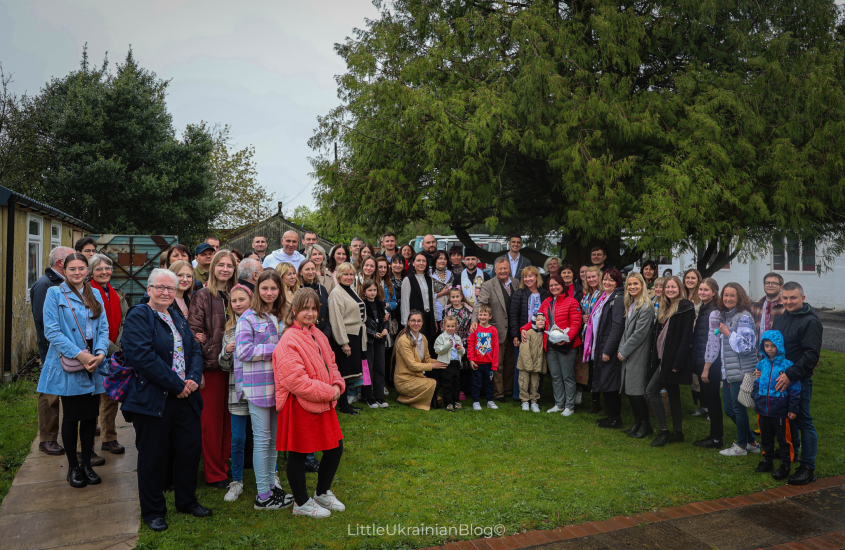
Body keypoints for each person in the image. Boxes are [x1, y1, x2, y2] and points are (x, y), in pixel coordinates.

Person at [121, 268, 209, 532]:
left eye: (170, 288)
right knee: (153, 457)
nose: (165, 292)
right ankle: (153, 511)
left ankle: (187, 501)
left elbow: (194, 348)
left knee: (189, 450)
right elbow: (142, 357)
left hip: (186, 396)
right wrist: (176, 385)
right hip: (154, 399)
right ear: (148, 290)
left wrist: (193, 377)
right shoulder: (139, 315)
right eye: (159, 287)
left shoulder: (176, 315)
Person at [37, 252, 109, 488]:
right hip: (70, 362)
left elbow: (104, 328)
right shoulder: (55, 293)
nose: (77, 273)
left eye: (81, 269)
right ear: (64, 271)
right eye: (72, 269)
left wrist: (99, 353)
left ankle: (87, 464)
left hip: (94, 363)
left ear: (87, 270)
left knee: (90, 417)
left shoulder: (95, 293)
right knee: (71, 417)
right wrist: (80, 354)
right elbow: (52, 331)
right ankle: (73, 468)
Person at [274, 288, 347, 518]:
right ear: (294, 309)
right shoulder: (288, 339)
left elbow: (332, 364)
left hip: (323, 400)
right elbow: (298, 383)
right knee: (298, 452)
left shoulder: (318, 334)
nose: (310, 312)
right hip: (300, 404)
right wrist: (331, 392)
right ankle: (301, 502)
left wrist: (337, 385)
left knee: (335, 448)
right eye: (305, 308)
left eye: (314, 308)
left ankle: (322, 491)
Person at [236, 271, 296, 510]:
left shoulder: (283, 316)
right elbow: (243, 351)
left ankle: (272, 488)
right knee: (261, 440)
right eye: (265, 288)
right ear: (257, 290)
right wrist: (277, 348)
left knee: (273, 441)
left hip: (280, 386)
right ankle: (263, 496)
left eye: (274, 288)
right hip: (258, 387)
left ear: (280, 290)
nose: (269, 293)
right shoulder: (248, 318)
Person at [188, 250, 238, 488]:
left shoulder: (237, 295)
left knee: (229, 422)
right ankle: (213, 473)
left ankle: (224, 466)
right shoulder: (202, 295)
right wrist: (198, 371)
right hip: (211, 368)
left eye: (230, 265)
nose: (225, 269)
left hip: (236, 368)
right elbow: (193, 333)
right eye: (221, 265)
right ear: (213, 267)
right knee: (211, 425)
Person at [772, 281, 823, 485]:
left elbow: (811, 356)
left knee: (803, 422)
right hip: (781, 378)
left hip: (798, 380)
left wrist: (790, 374)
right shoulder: (781, 318)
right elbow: (775, 347)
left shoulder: (811, 322)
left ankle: (808, 467)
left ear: (802, 298)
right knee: (787, 420)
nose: (788, 301)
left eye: (793, 297)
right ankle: (790, 455)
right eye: (785, 298)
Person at [704, 283, 760, 457]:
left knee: (738, 409)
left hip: (741, 371)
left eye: (732, 296)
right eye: (725, 295)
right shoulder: (726, 316)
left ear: (740, 298)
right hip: (729, 371)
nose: (728, 299)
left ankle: (741, 446)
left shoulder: (743, 317)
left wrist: (728, 333)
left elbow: (747, 346)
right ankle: (752, 442)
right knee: (729, 409)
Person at [30, 245, 75, 456]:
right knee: (50, 395)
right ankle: (47, 439)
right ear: (60, 263)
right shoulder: (45, 284)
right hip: (51, 349)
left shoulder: (63, 283)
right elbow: (42, 321)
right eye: (70, 262)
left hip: (67, 348)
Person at [647, 276, 695, 447]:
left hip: (672, 359)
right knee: (674, 395)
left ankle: (663, 431)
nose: (670, 290)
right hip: (662, 356)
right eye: (667, 287)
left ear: (680, 288)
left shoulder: (685, 307)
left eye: (673, 287)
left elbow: (686, 336)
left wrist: (677, 363)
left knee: (651, 390)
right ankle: (678, 432)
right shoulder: (665, 307)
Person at [88, 254, 129, 455]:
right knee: (90, 398)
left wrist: (118, 346)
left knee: (110, 397)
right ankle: (85, 444)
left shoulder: (116, 294)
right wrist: (111, 347)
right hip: (94, 353)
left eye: (107, 268)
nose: (104, 272)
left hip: (113, 353)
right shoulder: (87, 293)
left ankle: (109, 438)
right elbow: (91, 327)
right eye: (99, 269)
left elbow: (124, 321)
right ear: (91, 272)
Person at [218, 284, 253, 503]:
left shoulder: (261, 322)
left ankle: (271, 477)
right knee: (238, 439)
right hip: (237, 391)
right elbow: (223, 366)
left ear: (251, 300)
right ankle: (237, 480)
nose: (238, 304)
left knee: (264, 437)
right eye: (234, 301)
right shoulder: (229, 329)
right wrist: (226, 351)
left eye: (242, 299)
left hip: (260, 390)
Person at [530, 274, 583, 416]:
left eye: (556, 284)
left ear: (563, 286)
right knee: (555, 376)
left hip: (567, 345)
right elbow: (538, 319)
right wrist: (523, 329)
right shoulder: (546, 302)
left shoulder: (572, 302)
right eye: (551, 285)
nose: (554, 287)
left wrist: (566, 338)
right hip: (550, 345)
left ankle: (569, 406)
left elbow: (576, 323)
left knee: (567, 376)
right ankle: (559, 404)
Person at [753, 330, 801, 481]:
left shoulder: (788, 366)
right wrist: (755, 396)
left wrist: (793, 408)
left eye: (773, 346)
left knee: (783, 439)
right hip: (763, 408)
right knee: (766, 437)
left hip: (779, 409)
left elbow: (795, 388)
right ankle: (768, 461)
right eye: (766, 346)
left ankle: (786, 465)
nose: (769, 349)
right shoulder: (761, 364)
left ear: (779, 346)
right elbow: (757, 382)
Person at [470, 257, 517, 402]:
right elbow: (480, 303)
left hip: (513, 329)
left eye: (505, 268)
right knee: (498, 364)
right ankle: (499, 393)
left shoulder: (516, 283)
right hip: (496, 330)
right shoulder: (488, 285)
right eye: (500, 269)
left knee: (510, 363)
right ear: (495, 270)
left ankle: (508, 390)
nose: (503, 271)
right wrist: (475, 320)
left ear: (509, 269)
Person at [616, 273, 655, 438]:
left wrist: (624, 351)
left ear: (642, 286)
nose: (632, 287)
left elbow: (639, 334)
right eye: (629, 285)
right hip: (628, 352)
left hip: (638, 353)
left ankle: (646, 425)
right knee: (631, 391)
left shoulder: (646, 306)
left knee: (637, 392)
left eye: (635, 284)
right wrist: (621, 349)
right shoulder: (631, 304)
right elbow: (626, 332)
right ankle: (637, 423)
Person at [328, 262, 366, 415]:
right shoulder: (336, 293)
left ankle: (346, 404)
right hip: (345, 337)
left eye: (351, 274)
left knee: (350, 372)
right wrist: (344, 343)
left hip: (356, 335)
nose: (349, 277)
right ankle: (343, 405)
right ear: (339, 276)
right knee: (343, 372)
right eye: (346, 274)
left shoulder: (351, 290)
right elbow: (336, 320)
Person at [590, 269, 626, 429]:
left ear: (618, 282)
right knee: (605, 381)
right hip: (600, 344)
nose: (607, 282)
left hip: (608, 347)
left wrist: (607, 350)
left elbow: (617, 327)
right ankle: (611, 416)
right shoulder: (604, 297)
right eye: (605, 279)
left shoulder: (617, 299)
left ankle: (615, 419)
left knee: (610, 384)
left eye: (611, 280)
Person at [693, 278, 725, 449]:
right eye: (700, 289)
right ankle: (714, 436)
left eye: (706, 290)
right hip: (702, 359)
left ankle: (716, 438)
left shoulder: (714, 311)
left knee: (713, 401)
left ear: (714, 292)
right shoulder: (705, 308)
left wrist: (706, 367)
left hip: (710, 363)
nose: (702, 292)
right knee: (710, 399)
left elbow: (712, 341)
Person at [509, 266, 550, 401]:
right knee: (521, 367)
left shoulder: (545, 294)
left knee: (538, 366)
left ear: (537, 277)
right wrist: (515, 335)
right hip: (524, 335)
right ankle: (519, 395)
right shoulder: (519, 294)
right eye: (525, 277)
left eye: (531, 276)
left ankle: (536, 396)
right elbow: (513, 316)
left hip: (540, 335)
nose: (528, 279)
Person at [394, 310, 447, 409]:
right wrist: (433, 366)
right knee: (434, 383)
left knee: (436, 381)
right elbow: (412, 365)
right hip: (404, 380)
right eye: (413, 321)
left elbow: (427, 359)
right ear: (408, 322)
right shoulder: (404, 340)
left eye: (419, 321)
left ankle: (432, 400)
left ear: (422, 323)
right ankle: (432, 402)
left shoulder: (423, 338)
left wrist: (442, 362)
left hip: (417, 377)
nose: (416, 323)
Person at [401, 253, 439, 356]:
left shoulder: (429, 279)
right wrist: (406, 323)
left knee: (428, 347)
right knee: (417, 348)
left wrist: (435, 319)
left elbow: (432, 300)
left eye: (424, 261)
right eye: (418, 261)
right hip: (415, 320)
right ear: (413, 263)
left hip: (429, 317)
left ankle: (428, 370)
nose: (421, 263)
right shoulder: (408, 280)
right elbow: (405, 303)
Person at [360, 279, 388, 409]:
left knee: (380, 368)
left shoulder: (380, 304)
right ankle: (368, 396)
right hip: (368, 341)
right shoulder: (361, 305)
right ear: (364, 292)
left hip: (380, 340)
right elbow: (361, 324)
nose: (372, 293)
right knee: (367, 368)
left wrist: (386, 328)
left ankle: (379, 396)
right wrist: (372, 333)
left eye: (374, 290)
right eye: (369, 290)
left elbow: (386, 319)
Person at [579, 266, 603, 412]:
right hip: (587, 336)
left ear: (599, 277)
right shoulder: (586, 295)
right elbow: (583, 311)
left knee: (600, 370)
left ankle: (603, 402)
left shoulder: (603, 294)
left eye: (594, 276)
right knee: (592, 370)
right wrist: (583, 317)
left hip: (598, 335)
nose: (591, 279)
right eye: (589, 277)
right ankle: (595, 402)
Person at [443, 287, 473, 402]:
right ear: (450, 298)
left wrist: (464, 340)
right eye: (453, 297)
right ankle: (452, 389)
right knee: (452, 366)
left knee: (463, 366)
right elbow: (443, 326)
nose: (455, 299)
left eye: (457, 296)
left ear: (461, 297)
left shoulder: (468, 311)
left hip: (464, 340)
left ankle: (462, 390)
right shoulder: (447, 311)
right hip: (450, 341)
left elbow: (470, 328)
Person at [468, 304, 498, 410]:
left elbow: (495, 348)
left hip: (489, 364)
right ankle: (476, 401)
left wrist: (494, 364)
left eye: (485, 315)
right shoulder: (475, 329)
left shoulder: (493, 330)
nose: (482, 317)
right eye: (480, 315)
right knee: (476, 383)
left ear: (490, 316)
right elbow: (470, 345)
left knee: (489, 383)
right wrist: (471, 359)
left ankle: (490, 400)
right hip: (477, 363)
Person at [516, 313, 547, 412]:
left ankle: (534, 402)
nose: (541, 321)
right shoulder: (528, 333)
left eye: (543, 320)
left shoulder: (544, 335)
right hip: (525, 364)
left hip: (537, 365)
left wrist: (542, 365)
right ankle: (524, 401)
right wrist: (528, 364)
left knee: (535, 383)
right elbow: (524, 350)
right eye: (538, 320)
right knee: (524, 383)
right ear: (534, 322)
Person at [434, 314, 466, 411]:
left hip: (456, 363)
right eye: (448, 326)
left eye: (452, 326)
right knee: (448, 383)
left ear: (456, 327)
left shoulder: (457, 338)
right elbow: (438, 350)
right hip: (446, 364)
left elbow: (462, 352)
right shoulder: (441, 338)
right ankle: (448, 402)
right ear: (444, 326)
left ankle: (455, 401)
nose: (450, 328)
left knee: (456, 383)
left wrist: (461, 349)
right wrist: (448, 344)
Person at [299, 260, 332, 339]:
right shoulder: (298, 290)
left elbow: (328, 312)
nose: (311, 272)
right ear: (300, 272)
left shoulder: (322, 289)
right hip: (305, 334)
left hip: (324, 333)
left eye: (312, 269)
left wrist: (327, 332)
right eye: (307, 269)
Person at [752, 272, 785, 339]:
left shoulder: (785, 306)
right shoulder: (756, 306)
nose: (770, 285)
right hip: (758, 348)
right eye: (767, 283)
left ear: (781, 287)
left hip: (779, 348)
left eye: (774, 283)